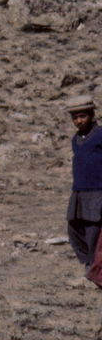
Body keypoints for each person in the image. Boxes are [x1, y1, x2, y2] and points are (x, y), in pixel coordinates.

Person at [66, 94, 102, 269]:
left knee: (93, 231)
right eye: (75, 117)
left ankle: (94, 269)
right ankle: (89, 264)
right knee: (74, 229)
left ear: (91, 115)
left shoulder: (100, 135)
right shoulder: (76, 139)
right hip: (79, 191)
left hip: (97, 191)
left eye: (82, 116)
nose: (79, 121)